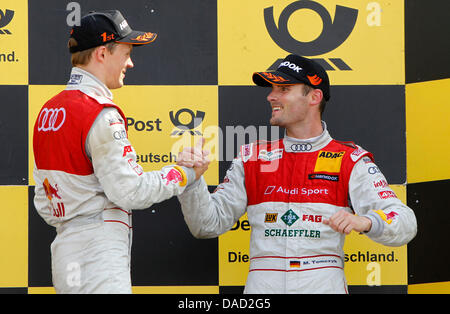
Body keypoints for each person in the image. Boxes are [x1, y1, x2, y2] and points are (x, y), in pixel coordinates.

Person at [176, 54, 417, 293]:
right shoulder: (253, 157)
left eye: (284, 89)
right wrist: (193, 180)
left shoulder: (349, 159)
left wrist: (366, 221)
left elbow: (405, 222)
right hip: (263, 284)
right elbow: (206, 225)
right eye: (272, 89)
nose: (271, 96)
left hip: (322, 282)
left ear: (315, 96)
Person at [33, 10, 197, 294]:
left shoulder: (48, 111)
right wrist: (184, 174)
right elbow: (129, 192)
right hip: (98, 253)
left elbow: (44, 201)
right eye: (126, 52)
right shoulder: (99, 113)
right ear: (101, 53)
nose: (130, 63)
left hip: (66, 250)